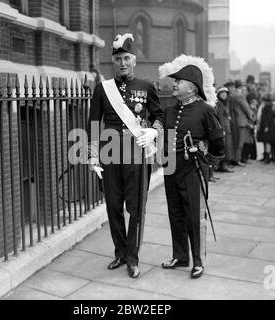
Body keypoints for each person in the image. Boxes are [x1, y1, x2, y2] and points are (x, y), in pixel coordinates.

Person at [87, 34, 164, 278]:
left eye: (127, 58)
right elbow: (93, 123)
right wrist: (92, 156)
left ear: (134, 61)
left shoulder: (146, 86)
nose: (122, 63)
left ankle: (133, 257)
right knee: (113, 207)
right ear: (113, 61)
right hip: (110, 157)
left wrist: (153, 130)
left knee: (136, 208)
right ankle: (120, 253)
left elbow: (159, 116)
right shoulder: (102, 89)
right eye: (118, 58)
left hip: (136, 156)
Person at [158, 55, 225, 279]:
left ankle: (198, 260)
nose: (174, 84)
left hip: (193, 168)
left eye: (179, 81)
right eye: (175, 81)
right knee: (175, 212)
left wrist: (207, 156)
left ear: (192, 87)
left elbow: (217, 140)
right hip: (171, 168)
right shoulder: (169, 110)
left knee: (194, 215)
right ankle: (181, 256)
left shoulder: (205, 110)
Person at [230, 80, 255, 166]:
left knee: (234, 141)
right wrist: (252, 117)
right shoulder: (240, 96)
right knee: (240, 142)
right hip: (241, 122)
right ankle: (237, 159)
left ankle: (233, 159)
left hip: (233, 121)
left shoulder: (231, 94)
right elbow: (246, 109)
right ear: (240, 87)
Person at [216, 87, 234, 172]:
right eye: (221, 93)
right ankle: (223, 165)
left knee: (227, 147)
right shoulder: (219, 104)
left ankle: (224, 165)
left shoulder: (225, 103)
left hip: (227, 128)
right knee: (225, 147)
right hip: (223, 128)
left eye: (225, 93)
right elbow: (219, 117)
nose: (224, 94)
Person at [257, 93, 275, 164]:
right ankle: (266, 156)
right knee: (266, 141)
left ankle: (267, 158)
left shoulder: (267, 107)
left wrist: (266, 126)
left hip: (266, 127)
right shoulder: (270, 106)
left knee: (267, 142)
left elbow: (267, 118)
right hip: (267, 126)